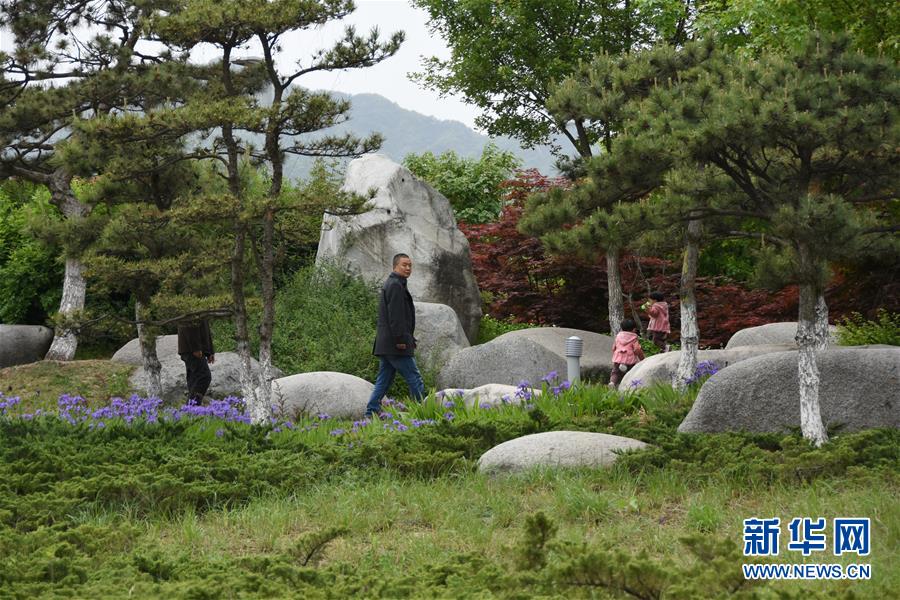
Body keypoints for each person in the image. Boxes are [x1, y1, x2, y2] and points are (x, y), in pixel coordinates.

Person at [364, 253, 426, 417]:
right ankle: (423, 413)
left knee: (384, 379)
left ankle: (371, 412)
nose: (407, 268)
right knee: (415, 377)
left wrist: (408, 338)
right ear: (395, 266)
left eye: (410, 265)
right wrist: (401, 340)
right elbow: (396, 317)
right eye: (404, 265)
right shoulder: (395, 286)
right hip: (395, 344)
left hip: (388, 344)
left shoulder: (396, 284)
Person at [177, 319, 215, 403]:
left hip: (194, 348)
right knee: (204, 377)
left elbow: (204, 325)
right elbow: (187, 322)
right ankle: (191, 409)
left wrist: (209, 351)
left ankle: (191, 412)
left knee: (194, 380)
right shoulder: (188, 306)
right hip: (191, 349)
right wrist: (195, 347)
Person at [609, 318, 645, 388]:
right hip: (629, 360)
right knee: (631, 372)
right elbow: (637, 349)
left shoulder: (618, 336)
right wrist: (642, 359)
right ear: (634, 329)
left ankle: (612, 382)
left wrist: (617, 354)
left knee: (615, 372)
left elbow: (613, 348)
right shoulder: (634, 338)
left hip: (618, 359)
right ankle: (629, 386)